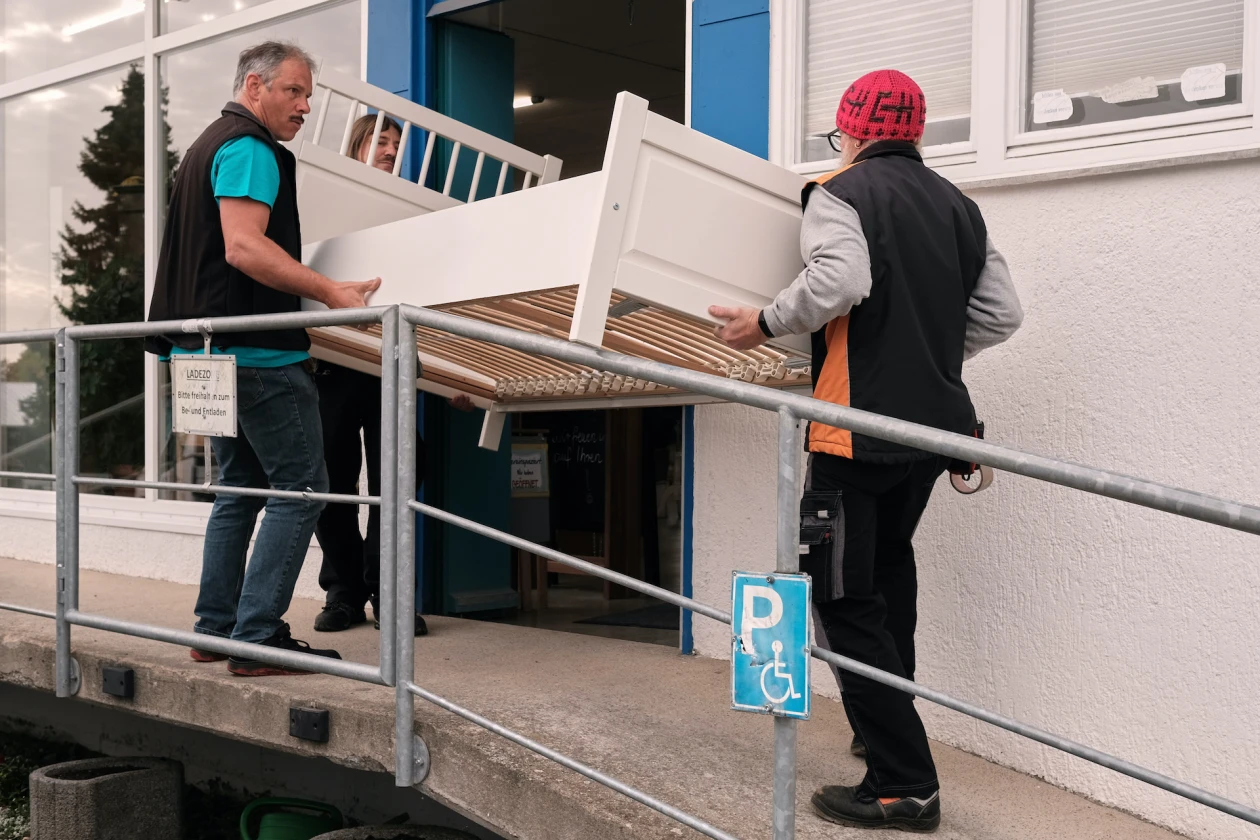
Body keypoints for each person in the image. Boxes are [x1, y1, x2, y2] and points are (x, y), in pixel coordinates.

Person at [710, 69, 1023, 832]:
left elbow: (840, 278)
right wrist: (925, 359)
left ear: (849, 133)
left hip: (852, 429)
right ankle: (877, 733)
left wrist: (766, 320)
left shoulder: (839, 191)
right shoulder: (959, 205)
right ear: (915, 133)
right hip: (930, 434)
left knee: (842, 596)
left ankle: (903, 786)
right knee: (887, 576)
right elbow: (1002, 315)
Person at [145, 41, 381, 677]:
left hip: (205, 354)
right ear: (255, 86)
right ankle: (257, 637)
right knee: (302, 490)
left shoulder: (206, 145)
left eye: (308, 94)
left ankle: (217, 631)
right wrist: (328, 290)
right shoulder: (251, 148)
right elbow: (244, 248)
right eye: (294, 92)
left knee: (238, 492)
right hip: (254, 356)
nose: (304, 106)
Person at [312, 114, 474, 636]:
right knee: (329, 481)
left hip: (392, 366)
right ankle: (343, 593)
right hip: (334, 361)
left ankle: (388, 594)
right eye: (379, 142)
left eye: (396, 145)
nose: (388, 151)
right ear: (355, 147)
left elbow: (443, 294)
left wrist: (456, 374)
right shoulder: (330, 204)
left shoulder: (416, 213)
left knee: (400, 475)